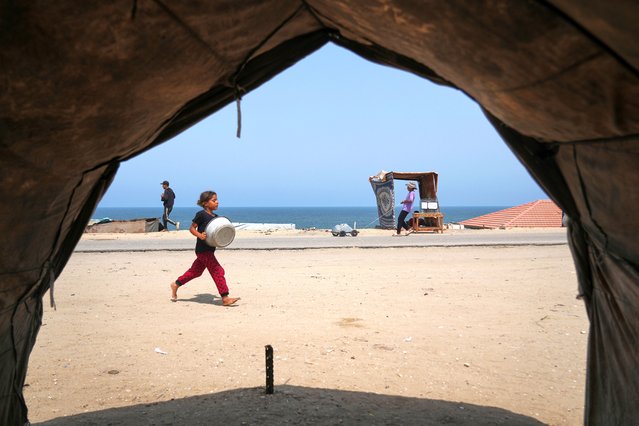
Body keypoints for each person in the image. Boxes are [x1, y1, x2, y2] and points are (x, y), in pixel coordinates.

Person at [169, 190, 240, 306]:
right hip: (202, 250)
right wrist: (200, 235)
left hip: (209, 249)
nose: (217, 202)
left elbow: (217, 235)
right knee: (218, 270)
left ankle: (176, 284)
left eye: (217, 200)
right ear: (205, 203)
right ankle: (225, 297)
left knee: (195, 272)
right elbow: (192, 228)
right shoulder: (201, 214)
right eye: (214, 200)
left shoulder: (216, 218)